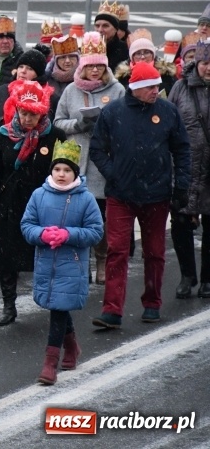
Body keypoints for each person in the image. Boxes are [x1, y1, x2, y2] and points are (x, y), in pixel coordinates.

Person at [90, 61, 191, 328]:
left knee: (155, 252)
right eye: (149, 87)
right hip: (121, 195)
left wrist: (181, 186)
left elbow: (182, 150)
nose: (155, 90)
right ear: (135, 87)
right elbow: (97, 148)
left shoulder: (168, 112)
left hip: (157, 196)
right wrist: (114, 173)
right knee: (117, 252)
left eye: (157, 85)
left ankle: (152, 303)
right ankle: (112, 309)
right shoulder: (113, 112)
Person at [0, 80, 66, 326]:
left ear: (42, 113)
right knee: (6, 258)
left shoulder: (55, 136)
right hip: (9, 204)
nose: (28, 119)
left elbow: (66, 170)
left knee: (44, 253)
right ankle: (9, 305)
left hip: (43, 205)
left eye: (33, 114)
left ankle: (51, 301)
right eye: (24, 112)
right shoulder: (5, 135)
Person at [20, 140, 103, 385]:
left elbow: (96, 231)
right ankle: (72, 346)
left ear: (75, 173)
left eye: (67, 170)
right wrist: (42, 235)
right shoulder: (39, 195)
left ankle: (49, 363)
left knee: (58, 308)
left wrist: (69, 235)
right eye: (58, 169)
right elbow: (27, 225)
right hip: (46, 262)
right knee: (58, 305)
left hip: (72, 263)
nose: (62, 174)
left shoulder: (85, 199)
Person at [54, 31, 125, 285]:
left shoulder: (117, 89)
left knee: (101, 216)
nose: (95, 71)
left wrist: (105, 124)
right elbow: (59, 121)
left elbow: (125, 121)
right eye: (90, 66)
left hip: (103, 161)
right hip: (77, 158)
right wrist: (80, 122)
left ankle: (102, 260)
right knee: (76, 216)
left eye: (99, 66)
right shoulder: (72, 90)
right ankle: (80, 262)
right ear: (83, 67)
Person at [168, 40, 210, 299]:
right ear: (198, 64)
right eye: (206, 63)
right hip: (183, 167)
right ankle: (187, 276)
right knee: (181, 223)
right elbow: (168, 124)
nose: (209, 68)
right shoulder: (180, 88)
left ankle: (207, 279)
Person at [115, 29, 179, 97]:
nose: (142, 57)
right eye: (138, 53)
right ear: (132, 57)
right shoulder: (123, 77)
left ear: (153, 55)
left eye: (146, 52)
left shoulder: (166, 74)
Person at [45, 34, 80, 108]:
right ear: (56, 61)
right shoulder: (47, 80)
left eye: (71, 57)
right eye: (63, 57)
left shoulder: (84, 78)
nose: (67, 61)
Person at [93, 0, 129, 72]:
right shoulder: (87, 47)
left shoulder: (125, 49)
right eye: (97, 26)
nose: (100, 30)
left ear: (116, 29)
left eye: (105, 26)